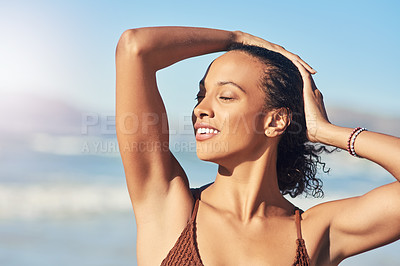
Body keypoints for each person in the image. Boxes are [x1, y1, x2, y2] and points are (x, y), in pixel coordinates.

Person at [115, 26, 400, 265]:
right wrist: (234, 39)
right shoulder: (167, 205)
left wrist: (326, 132)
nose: (201, 108)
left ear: (275, 121)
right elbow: (135, 48)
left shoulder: (314, 234)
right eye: (200, 95)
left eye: (225, 96)